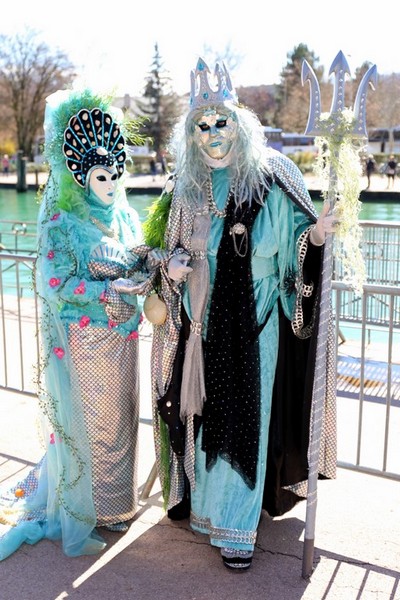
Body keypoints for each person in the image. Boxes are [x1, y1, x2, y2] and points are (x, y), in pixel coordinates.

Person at [145, 58, 337, 571]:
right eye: (201, 127)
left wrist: (315, 238)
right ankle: (210, 514)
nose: (212, 136)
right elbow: (165, 253)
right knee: (207, 421)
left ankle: (239, 528)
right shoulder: (187, 189)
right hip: (203, 326)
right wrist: (176, 266)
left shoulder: (271, 180)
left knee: (248, 420)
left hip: (256, 327)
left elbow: (297, 244)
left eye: (221, 123)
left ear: (241, 125)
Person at [0, 88, 162, 560]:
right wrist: (107, 292)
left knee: (122, 424)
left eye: (116, 173)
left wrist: (151, 268)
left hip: (125, 339)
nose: (110, 184)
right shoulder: (62, 222)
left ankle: (117, 505)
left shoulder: (127, 217)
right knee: (89, 428)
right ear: (81, 177)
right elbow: (55, 282)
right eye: (100, 175)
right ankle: (84, 508)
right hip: (84, 343)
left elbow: (135, 262)